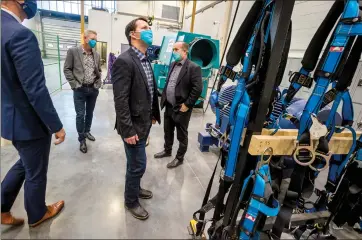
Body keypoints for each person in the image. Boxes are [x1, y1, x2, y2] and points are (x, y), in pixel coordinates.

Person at [1, 0, 65, 227]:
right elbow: (35, 89)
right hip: (29, 124)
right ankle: (38, 214)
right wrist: (56, 125)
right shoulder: (20, 35)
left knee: (25, 164)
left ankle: (1, 206)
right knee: (35, 172)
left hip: (10, 119)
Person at [111, 17, 161, 220]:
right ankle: (130, 201)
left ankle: (136, 188)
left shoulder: (145, 58)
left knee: (135, 163)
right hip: (132, 126)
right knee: (138, 164)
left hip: (144, 121)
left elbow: (149, 90)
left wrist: (154, 114)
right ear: (133, 34)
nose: (150, 31)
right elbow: (120, 100)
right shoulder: (125, 61)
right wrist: (128, 130)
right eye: (145, 28)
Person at [154, 42, 202, 168]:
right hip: (169, 105)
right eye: (173, 49)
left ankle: (179, 158)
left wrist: (187, 104)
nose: (174, 52)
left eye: (176, 49)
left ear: (185, 51)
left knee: (182, 135)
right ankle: (167, 150)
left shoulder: (193, 67)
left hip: (181, 108)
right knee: (167, 131)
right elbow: (169, 82)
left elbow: (197, 89)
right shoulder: (173, 65)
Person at [64, 29, 102, 153]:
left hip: (93, 89)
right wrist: (74, 84)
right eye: (92, 39)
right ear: (85, 38)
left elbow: (99, 70)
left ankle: (87, 132)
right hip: (79, 89)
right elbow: (67, 69)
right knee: (80, 115)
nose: (94, 41)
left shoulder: (96, 54)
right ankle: (81, 139)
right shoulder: (73, 51)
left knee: (89, 113)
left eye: (96, 39)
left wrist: (98, 82)